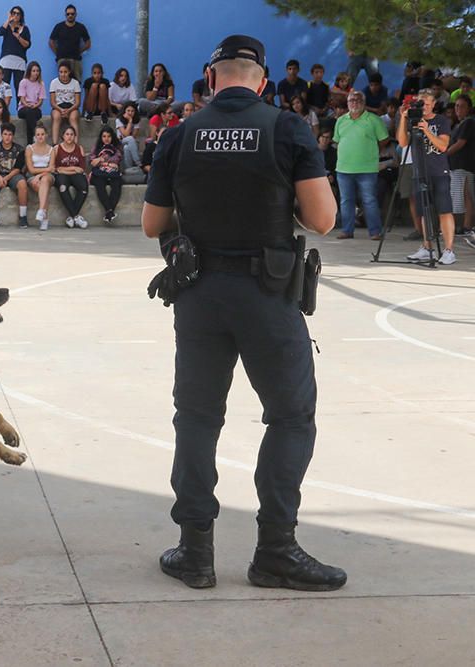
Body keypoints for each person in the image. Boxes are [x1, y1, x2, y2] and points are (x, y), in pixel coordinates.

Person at [141, 34, 344, 593]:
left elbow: (153, 224)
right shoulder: (286, 128)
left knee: (198, 417)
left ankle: (195, 552)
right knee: (289, 417)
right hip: (268, 295)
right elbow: (323, 220)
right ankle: (275, 550)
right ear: (261, 80)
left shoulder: (179, 135)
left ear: (212, 79)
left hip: (200, 294)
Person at [398, 88, 459, 265]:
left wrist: (426, 130)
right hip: (420, 172)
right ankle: (427, 247)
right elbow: (402, 142)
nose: (423, 107)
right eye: (419, 103)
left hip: (439, 171)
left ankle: (449, 250)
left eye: (426, 103)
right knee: (424, 211)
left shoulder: (441, 121)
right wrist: (403, 118)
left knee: (444, 210)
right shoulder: (414, 120)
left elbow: (443, 146)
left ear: (433, 104)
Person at [332, 89, 388, 240]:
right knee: (346, 200)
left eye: (358, 100)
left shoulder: (374, 120)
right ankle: (347, 230)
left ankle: (375, 232)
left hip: (367, 168)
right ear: (347, 103)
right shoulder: (341, 120)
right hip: (344, 168)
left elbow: (384, 140)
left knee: (369, 200)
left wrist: (369, 151)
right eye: (351, 100)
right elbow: (336, 140)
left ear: (364, 103)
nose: (354, 103)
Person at [446, 95, 474, 238]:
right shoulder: (459, 124)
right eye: (456, 106)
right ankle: (464, 225)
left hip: (464, 164)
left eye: (462, 106)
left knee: (466, 195)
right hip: (456, 164)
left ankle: (467, 226)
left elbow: (460, 143)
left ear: (468, 108)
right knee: (462, 195)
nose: (458, 109)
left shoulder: (468, 122)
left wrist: (445, 154)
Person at [52, 125, 88, 228]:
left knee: (83, 187)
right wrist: (73, 169)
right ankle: (76, 217)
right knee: (63, 187)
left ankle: (72, 217)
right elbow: (56, 168)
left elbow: (81, 168)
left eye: (72, 134)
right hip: (62, 176)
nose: (69, 137)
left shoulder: (79, 148)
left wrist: (64, 169)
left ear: (75, 136)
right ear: (63, 136)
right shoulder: (57, 148)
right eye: (67, 134)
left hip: (75, 175)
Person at [89, 125, 122, 224]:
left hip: (112, 174)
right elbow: (92, 162)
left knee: (117, 185)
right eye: (104, 136)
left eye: (109, 136)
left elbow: (117, 160)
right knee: (99, 185)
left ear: (112, 137)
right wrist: (104, 161)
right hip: (99, 173)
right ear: (101, 137)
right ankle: (110, 211)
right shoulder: (96, 147)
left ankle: (109, 212)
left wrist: (101, 160)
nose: (106, 139)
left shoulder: (117, 147)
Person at [48, 4, 90, 82]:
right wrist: (58, 54)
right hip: (62, 59)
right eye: (68, 14)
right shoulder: (59, 27)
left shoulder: (80, 27)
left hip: (76, 60)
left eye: (72, 14)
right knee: (62, 83)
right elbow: (51, 42)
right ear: (65, 15)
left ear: (75, 14)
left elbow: (88, 43)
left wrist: (80, 51)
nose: (70, 15)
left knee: (76, 83)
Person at [24, 122, 53, 229]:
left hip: (48, 176)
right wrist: (38, 175)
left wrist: (40, 175)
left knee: (45, 180)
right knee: (42, 186)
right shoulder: (29, 148)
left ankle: (41, 210)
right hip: (32, 175)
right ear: (35, 136)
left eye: (42, 134)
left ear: (46, 135)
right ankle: (45, 217)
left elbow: (52, 168)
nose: (40, 136)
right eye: (38, 134)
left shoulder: (51, 149)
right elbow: (31, 169)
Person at [0, 6, 31, 91]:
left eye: (18, 14)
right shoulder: (6, 27)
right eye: (13, 13)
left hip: (19, 61)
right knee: (4, 87)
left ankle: (20, 105)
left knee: (19, 88)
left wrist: (18, 37)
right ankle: (3, 104)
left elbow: (27, 44)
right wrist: (8, 20)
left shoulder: (25, 29)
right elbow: (0, 32)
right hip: (6, 59)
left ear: (21, 16)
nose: (15, 15)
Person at [49, 60, 81, 145]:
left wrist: (69, 110)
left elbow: (77, 102)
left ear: (69, 72)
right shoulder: (54, 82)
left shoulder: (75, 83)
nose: (63, 74)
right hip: (58, 107)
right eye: (61, 72)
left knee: (73, 118)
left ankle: (75, 143)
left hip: (72, 107)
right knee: (56, 116)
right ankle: (55, 144)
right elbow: (52, 102)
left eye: (65, 72)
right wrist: (61, 110)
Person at [115, 102, 142, 169]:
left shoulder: (137, 121)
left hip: (131, 143)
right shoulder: (118, 120)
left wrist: (131, 121)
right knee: (129, 139)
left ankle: (129, 169)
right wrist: (130, 121)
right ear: (124, 111)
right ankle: (138, 162)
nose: (130, 113)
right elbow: (126, 134)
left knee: (126, 148)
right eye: (128, 111)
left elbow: (133, 136)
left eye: (132, 111)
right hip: (120, 142)